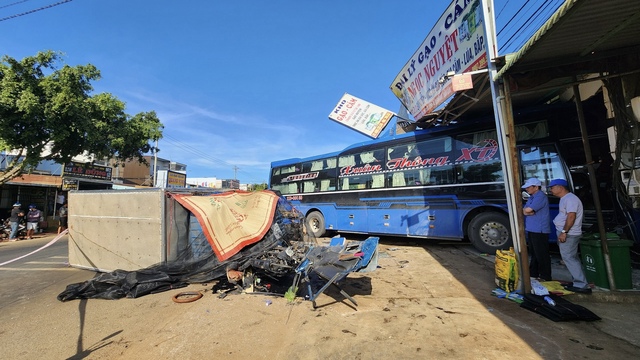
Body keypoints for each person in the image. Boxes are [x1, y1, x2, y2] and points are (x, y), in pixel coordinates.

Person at [549, 178, 592, 294]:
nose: (550, 190)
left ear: (560, 187)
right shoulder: (565, 199)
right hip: (567, 232)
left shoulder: (570, 199)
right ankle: (578, 281)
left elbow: (571, 216)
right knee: (572, 258)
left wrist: (564, 232)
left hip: (570, 233)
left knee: (569, 258)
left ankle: (581, 284)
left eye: (552, 188)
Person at [521, 178, 551, 281]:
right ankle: (533, 273)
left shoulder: (540, 197)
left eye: (529, 187)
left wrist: (527, 211)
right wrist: (527, 211)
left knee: (541, 254)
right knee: (534, 253)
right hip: (532, 229)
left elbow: (528, 210)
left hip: (540, 229)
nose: (527, 189)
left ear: (536, 187)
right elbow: (525, 210)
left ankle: (545, 276)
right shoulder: (532, 197)